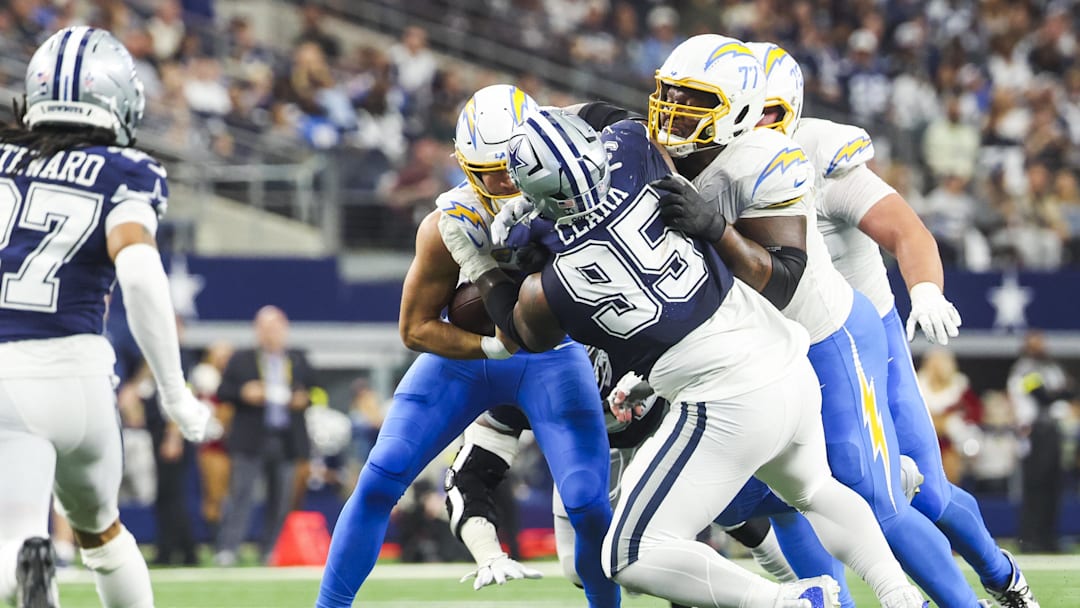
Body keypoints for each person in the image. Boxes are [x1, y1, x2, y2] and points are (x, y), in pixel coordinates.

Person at [440, 107, 926, 608]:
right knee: (816, 490)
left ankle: (793, 603)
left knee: (628, 555)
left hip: (723, 397)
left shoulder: (555, 286)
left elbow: (523, 335)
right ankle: (898, 593)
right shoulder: (634, 150)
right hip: (781, 356)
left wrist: (481, 264)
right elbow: (616, 120)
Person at [648, 34, 978, 607]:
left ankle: (993, 587)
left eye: (773, 115)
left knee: (898, 499)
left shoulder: (787, 157)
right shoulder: (674, 154)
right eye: (676, 98)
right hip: (760, 349)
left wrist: (924, 289)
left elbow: (785, 275)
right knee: (747, 497)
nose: (678, 116)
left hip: (834, 333)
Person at [746, 40, 1038, 607]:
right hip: (777, 349)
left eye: (766, 110)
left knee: (920, 495)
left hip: (862, 336)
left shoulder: (817, 157)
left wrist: (924, 290)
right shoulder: (705, 160)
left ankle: (1000, 577)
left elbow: (909, 232)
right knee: (788, 495)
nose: (752, 125)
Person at [315, 84, 619, 608]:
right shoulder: (447, 225)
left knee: (589, 504)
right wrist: (493, 347)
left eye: (510, 167)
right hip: (470, 362)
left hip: (551, 358)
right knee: (380, 479)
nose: (503, 184)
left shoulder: (580, 200)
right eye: (489, 173)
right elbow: (414, 330)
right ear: (463, 166)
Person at [0, 26, 218, 607]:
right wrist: (174, 393)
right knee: (104, 534)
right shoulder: (126, 170)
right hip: (80, 377)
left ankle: (25, 566)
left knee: (14, 536)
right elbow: (142, 275)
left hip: (4, 378)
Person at [214, 305, 316, 566]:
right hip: (250, 437)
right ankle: (229, 548)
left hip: (286, 437)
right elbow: (224, 391)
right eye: (266, 328)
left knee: (281, 499)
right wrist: (244, 393)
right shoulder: (243, 358)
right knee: (241, 495)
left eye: (276, 328)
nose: (272, 334)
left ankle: (269, 549)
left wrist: (303, 399)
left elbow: (315, 391)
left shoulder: (297, 358)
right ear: (257, 331)